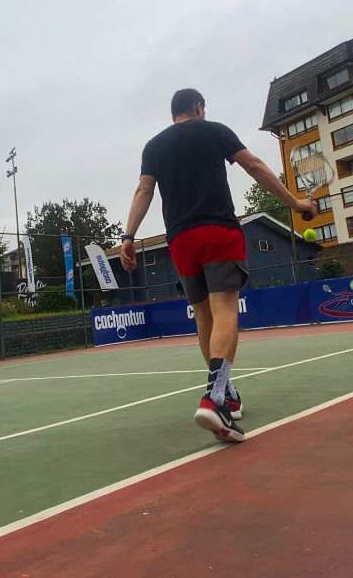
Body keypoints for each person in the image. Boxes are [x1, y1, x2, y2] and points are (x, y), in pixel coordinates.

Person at [120, 88, 316, 443]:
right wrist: (295, 203)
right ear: (198, 107)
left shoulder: (154, 146)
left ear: (174, 112)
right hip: (217, 231)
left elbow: (143, 191)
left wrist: (129, 236)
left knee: (203, 317)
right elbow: (255, 166)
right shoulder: (215, 131)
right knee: (225, 309)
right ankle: (214, 399)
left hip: (179, 240)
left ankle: (226, 392)